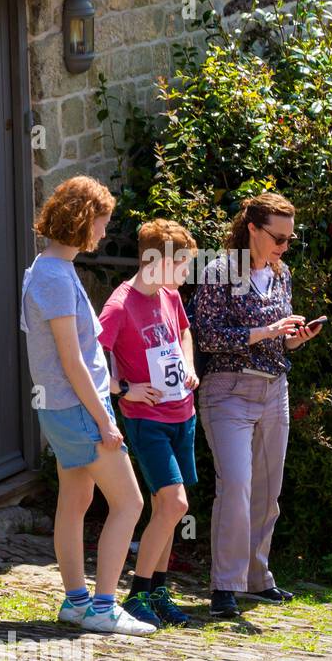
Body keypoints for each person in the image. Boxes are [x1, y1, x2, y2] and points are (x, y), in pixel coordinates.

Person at [20, 176, 154, 636]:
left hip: (62, 408)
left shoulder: (46, 268)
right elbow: (71, 361)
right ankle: (101, 606)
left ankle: (76, 602)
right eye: (102, 222)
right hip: (79, 409)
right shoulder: (55, 277)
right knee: (130, 503)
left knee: (76, 500)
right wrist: (104, 420)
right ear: (82, 219)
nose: (103, 232)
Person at [191, 192, 322, 619]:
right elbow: (207, 336)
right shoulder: (219, 272)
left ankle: (255, 578)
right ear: (252, 229)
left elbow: (277, 338)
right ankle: (224, 586)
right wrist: (265, 331)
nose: (285, 246)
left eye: (290, 238)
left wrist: (292, 339)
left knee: (268, 491)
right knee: (236, 486)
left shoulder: (282, 275)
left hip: (273, 389)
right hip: (228, 390)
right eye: (278, 237)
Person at [98, 219, 202, 628]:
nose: (185, 274)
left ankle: (158, 590)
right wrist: (123, 388)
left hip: (183, 413)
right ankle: (139, 592)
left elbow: (184, 332)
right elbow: (93, 354)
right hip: (147, 419)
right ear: (157, 261)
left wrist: (189, 365)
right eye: (182, 265)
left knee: (168, 509)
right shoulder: (120, 304)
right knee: (176, 504)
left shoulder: (169, 295)